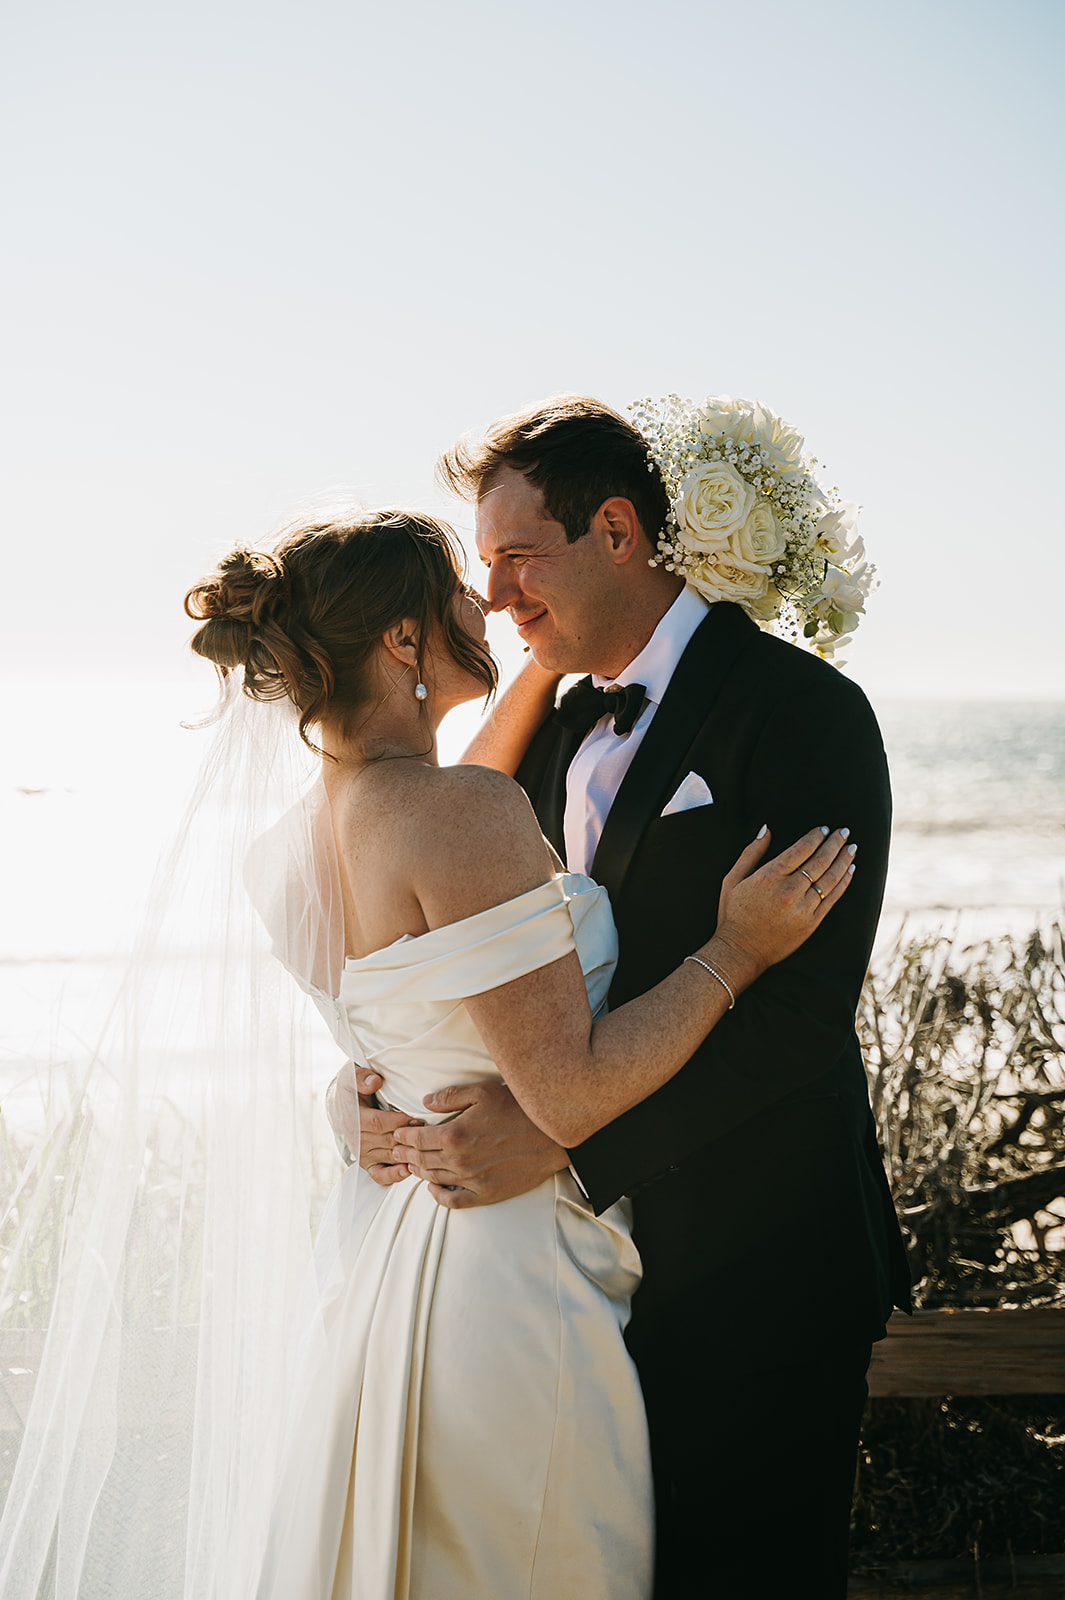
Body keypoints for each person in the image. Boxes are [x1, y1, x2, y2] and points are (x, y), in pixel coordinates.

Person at [183, 508, 855, 1599]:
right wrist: (734, 953)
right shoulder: (465, 811)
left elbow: (386, 1029)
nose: (484, 602)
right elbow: (572, 1092)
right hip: (509, 1279)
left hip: (389, 1258)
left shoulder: (292, 843)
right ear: (404, 641)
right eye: (458, 584)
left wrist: (348, 1108)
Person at [342, 398, 913, 1599]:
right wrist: (369, 1098)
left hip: (761, 1266)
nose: (494, 595)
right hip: (584, 1288)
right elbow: (472, 972)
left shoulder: (803, 712)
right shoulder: (534, 746)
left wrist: (557, 1140)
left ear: (615, 529)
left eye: (516, 557)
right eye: (481, 565)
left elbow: (799, 1027)